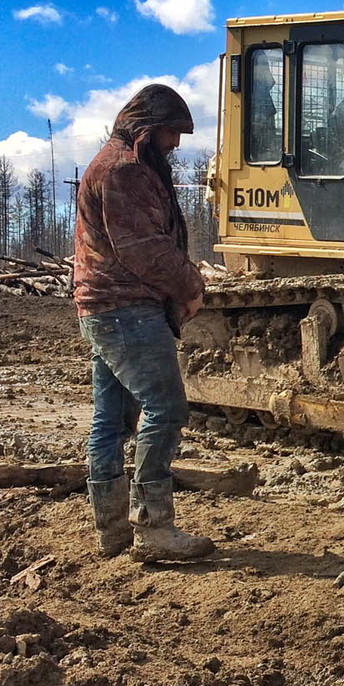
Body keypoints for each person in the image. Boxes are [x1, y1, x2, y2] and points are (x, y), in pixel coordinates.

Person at [74, 83, 215, 563]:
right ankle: (153, 527)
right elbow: (143, 250)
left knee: (111, 421)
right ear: (148, 130)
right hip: (126, 308)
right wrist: (190, 285)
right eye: (172, 133)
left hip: (106, 307)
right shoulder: (125, 171)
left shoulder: (115, 164)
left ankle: (112, 532)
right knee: (167, 408)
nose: (176, 144)